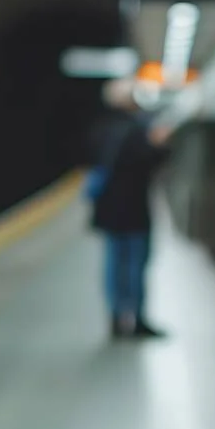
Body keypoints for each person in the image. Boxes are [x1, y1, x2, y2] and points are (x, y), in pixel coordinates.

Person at [89, 77, 173, 339]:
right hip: (134, 208)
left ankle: (116, 318)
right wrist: (160, 145)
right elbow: (150, 161)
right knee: (136, 264)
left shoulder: (100, 128)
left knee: (113, 265)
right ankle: (136, 319)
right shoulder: (138, 129)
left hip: (108, 209)